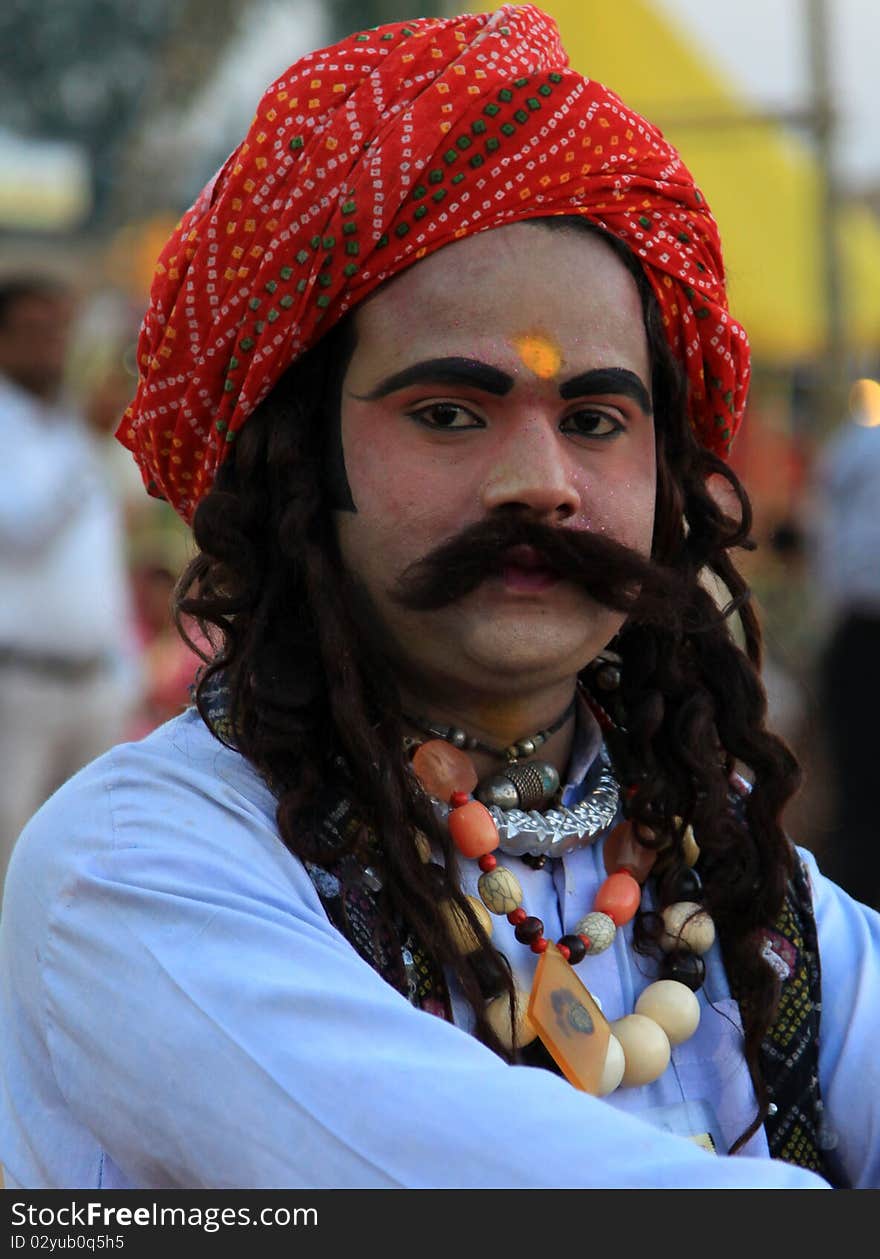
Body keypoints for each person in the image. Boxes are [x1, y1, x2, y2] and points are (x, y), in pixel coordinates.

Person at [1, 6, 877, 1191]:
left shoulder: (737, 876)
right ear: (305, 469)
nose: (541, 484)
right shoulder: (137, 870)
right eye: (449, 413)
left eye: (595, 420)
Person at [0, 276, 139, 894]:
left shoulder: (67, 426)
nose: (52, 346)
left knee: (89, 869)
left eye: (59, 331)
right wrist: (86, 440)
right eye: (35, 332)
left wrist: (124, 668)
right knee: (10, 864)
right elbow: (20, 528)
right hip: (19, 684)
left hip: (95, 683)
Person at [811, 384, 880, 909]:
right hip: (860, 636)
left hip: (856, 635)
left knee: (859, 799)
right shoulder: (857, 445)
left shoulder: (852, 446)